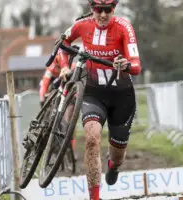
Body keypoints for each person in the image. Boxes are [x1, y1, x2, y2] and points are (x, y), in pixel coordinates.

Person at [59, 0, 141, 199]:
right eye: (98, 10)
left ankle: (113, 166)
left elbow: (137, 66)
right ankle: (94, 197)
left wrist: (126, 64)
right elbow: (63, 42)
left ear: (114, 9)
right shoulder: (82, 25)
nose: (103, 15)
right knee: (92, 138)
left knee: (117, 155)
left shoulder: (124, 27)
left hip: (121, 95)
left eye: (108, 10)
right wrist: (64, 66)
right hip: (94, 93)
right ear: (91, 9)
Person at [39, 50, 77, 154]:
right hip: (55, 87)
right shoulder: (51, 68)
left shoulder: (72, 67)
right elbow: (44, 83)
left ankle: (71, 147)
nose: (58, 68)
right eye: (57, 66)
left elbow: (76, 86)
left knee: (70, 122)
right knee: (48, 96)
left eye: (60, 66)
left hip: (68, 91)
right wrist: (42, 98)